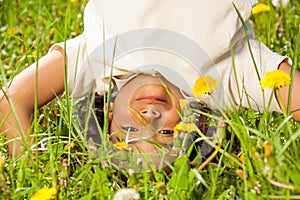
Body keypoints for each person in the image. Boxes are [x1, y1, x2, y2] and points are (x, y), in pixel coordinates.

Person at [0, 0, 299, 162]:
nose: (149, 118)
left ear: (109, 113)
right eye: (167, 132)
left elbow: (13, 99)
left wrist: (30, 165)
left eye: (130, 130)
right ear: (197, 123)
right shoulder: (228, 78)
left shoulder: (97, 60)